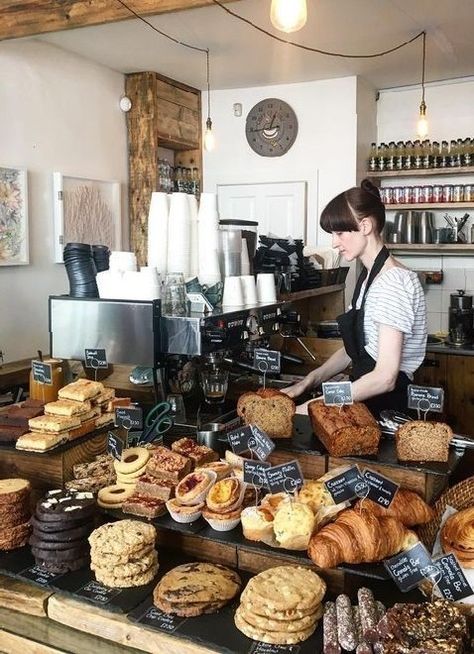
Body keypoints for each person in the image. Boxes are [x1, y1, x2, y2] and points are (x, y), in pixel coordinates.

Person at [283, 179, 427, 417]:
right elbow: (356, 351)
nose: (334, 243)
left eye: (340, 233)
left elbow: (385, 378)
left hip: (386, 408)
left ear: (366, 226)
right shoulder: (369, 276)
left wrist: (313, 406)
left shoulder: (393, 282)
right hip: (366, 400)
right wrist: (308, 382)